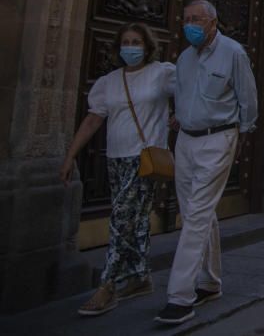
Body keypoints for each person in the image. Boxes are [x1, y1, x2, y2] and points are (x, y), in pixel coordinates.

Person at [60, 22, 175, 317]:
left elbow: (189, 94)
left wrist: (181, 119)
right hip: (115, 158)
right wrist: (70, 155)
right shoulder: (108, 82)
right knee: (134, 221)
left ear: (147, 47)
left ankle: (107, 286)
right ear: (118, 47)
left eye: (137, 41)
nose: (131, 47)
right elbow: (92, 120)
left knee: (120, 219)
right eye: (126, 41)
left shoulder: (162, 73)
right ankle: (139, 277)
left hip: (144, 159)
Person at [157, 1, 257, 325]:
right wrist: (179, 118)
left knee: (196, 215)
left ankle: (180, 297)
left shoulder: (233, 52)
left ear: (213, 22)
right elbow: (183, 95)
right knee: (196, 212)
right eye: (186, 19)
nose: (190, 25)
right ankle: (210, 281)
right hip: (186, 139)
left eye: (196, 19)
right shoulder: (185, 58)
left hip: (218, 138)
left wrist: (242, 135)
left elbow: (248, 98)